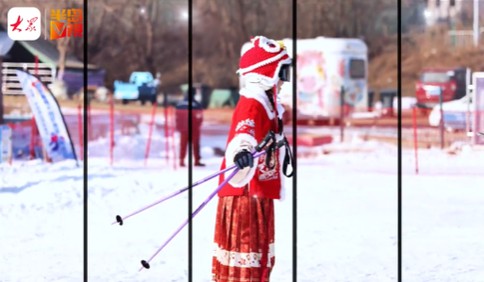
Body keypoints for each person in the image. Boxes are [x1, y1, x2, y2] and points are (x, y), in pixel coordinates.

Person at [211, 35, 293, 282]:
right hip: (244, 193)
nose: (282, 81)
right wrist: (241, 153)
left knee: (258, 254)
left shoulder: (266, 101)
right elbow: (243, 132)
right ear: (265, 73)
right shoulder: (252, 103)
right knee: (246, 251)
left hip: (258, 189)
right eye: (281, 72)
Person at [175, 88, 205, 167]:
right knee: (195, 145)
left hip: (183, 128)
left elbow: (177, 117)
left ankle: (181, 161)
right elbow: (199, 116)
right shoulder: (196, 104)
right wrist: (198, 124)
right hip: (194, 128)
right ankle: (197, 161)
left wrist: (179, 126)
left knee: (183, 144)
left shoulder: (180, 104)